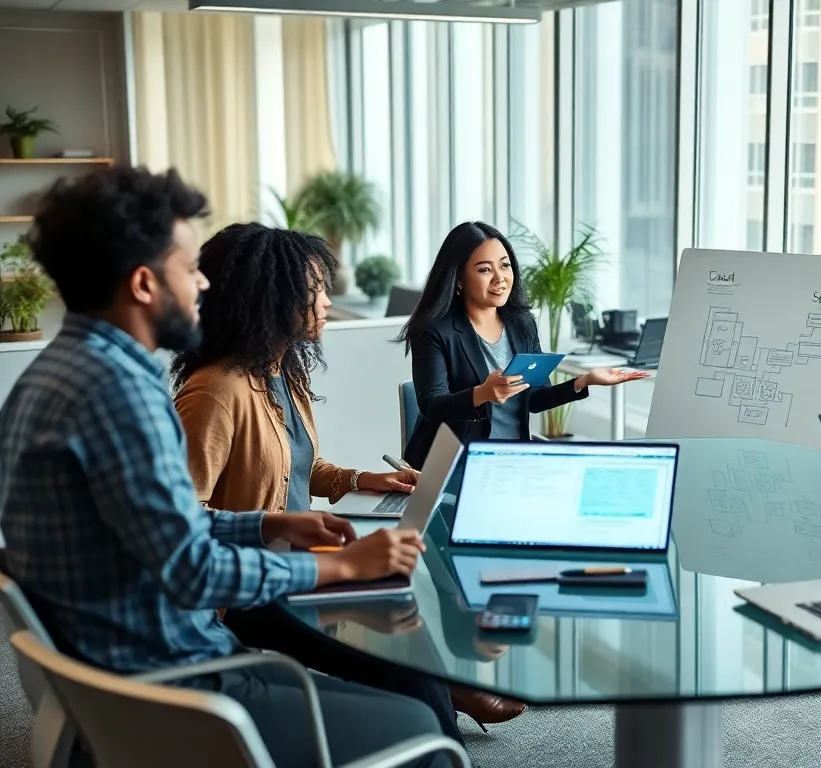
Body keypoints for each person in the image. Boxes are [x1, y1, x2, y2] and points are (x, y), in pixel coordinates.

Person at [0, 167, 453, 767]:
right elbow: (191, 570)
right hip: (177, 680)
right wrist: (341, 565)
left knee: (397, 687)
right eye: (190, 270)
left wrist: (268, 526)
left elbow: (164, 526)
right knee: (420, 727)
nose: (204, 284)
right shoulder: (120, 396)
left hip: (122, 669)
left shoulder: (60, 375)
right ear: (143, 283)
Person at [169, 222, 503, 734]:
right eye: (314, 290)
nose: (326, 300)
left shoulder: (280, 371)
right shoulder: (217, 391)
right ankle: (439, 723)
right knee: (401, 639)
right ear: (270, 299)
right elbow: (180, 520)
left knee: (403, 616)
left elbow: (300, 468)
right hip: (250, 592)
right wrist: (275, 524)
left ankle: (438, 707)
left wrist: (362, 478)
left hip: (301, 562)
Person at [398, 221, 648, 468]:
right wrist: (482, 393)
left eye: (505, 266)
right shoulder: (434, 331)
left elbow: (536, 399)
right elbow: (432, 406)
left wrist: (585, 381)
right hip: (454, 466)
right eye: (485, 270)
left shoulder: (522, 323)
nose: (500, 278)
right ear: (459, 278)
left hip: (512, 462)